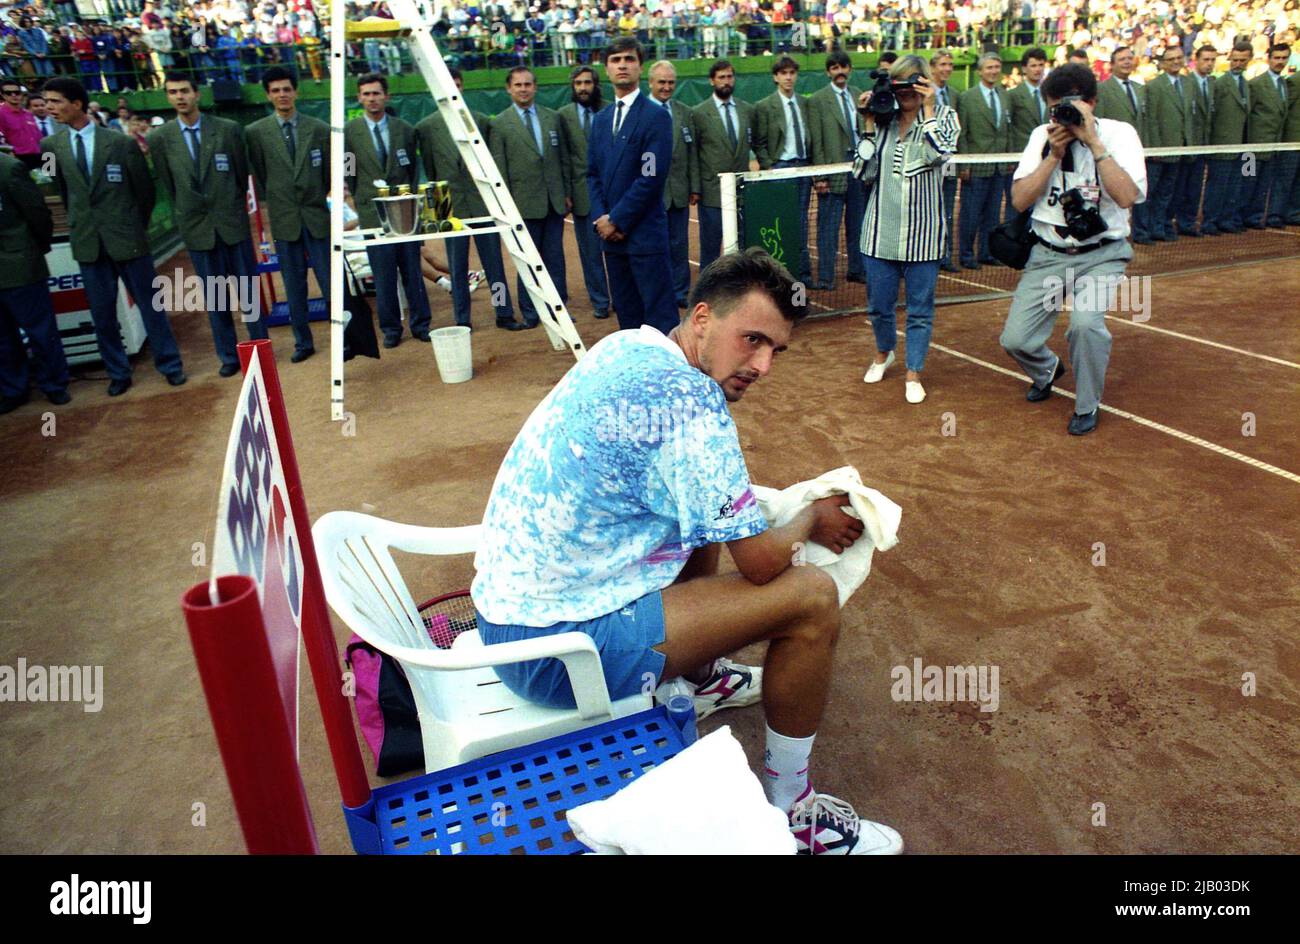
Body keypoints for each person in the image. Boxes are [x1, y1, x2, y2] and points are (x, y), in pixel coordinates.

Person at [471, 247, 903, 855]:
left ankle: (700, 678)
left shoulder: (631, 346)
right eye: (751, 339)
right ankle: (793, 810)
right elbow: (757, 563)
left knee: (697, 519)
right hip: (557, 651)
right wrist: (808, 517)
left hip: (510, 617)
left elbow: (707, 509)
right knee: (812, 598)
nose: (762, 364)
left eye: (775, 349)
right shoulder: (690, 403)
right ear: (702, 318)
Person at [998, 63, 1145, 437]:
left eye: (1073, 109)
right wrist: (1052, 156)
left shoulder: (1119, 134)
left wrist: (1094, 144)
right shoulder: (1041, 136)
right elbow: (1018, 200)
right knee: (1015, 340)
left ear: (1092, 103)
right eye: (1054, 109)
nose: (1063, 117)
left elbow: (1127, 197)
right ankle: (1047, 370)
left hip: (1102, 253)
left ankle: (1086, 404)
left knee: (1085, 324)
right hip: (1049, 252)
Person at [40, 76, 185, 396]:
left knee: (151, 305)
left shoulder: (121, 143)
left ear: (77, 103)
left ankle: (170, 365)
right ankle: (117, 372)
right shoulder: (49, 147)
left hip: (128, 239)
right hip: (88, 243)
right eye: (46, 102)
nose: (50, 108)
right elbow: (60, 191)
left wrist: (131, 225)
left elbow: (144, 191)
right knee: (102, 313)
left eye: (56, 101)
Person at [148, 72, 268, 378]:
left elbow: (241, 177)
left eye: (184, 91)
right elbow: (169, 184)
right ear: (168, 97)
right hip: (198, 230)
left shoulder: (227, 130)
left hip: (231, 224)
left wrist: (228, 207)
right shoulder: (160, 138)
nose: (180, 97)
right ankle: (228, 356)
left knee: (248, 293)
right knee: (215, 298)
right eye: (173, 92)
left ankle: (259, 348)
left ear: (196, 94)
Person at [857, 55, 960, 405]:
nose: (906, 95)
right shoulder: (883, 118)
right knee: (878, 306)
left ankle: (914, 371)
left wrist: (929, 110)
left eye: (914, 86)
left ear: (926, 84)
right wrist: (869, 124)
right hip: (879, 232)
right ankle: (884, 351)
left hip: (924, 236)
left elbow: (940, 153)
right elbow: (862, 173)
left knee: (920, 309)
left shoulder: (945, 117)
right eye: (900, 86)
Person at [415, 66, 523, 331]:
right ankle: (462, 318)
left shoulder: (482, 121)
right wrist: (439, 208)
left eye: (456, 86)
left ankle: (503, 312)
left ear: (462, 87)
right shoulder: (425, 127)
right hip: (447, 203)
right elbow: (430, 169)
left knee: (494, 263)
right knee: (457, 265)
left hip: (482, 201)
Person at [586, 37, 676, 334]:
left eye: (629, 59)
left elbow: (650, 177)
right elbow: (593, 175)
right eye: (615, 60)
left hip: (644, 237)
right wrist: (603, 220)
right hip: (612, 240)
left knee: (659, 320)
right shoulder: (600, 121)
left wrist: (617, 219)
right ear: (607, 69)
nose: (622, 65)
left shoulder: (656, 117)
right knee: (627, 321)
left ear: (640, 67)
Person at [246, 65, 330, 362]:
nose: (282, 95)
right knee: (294, 287)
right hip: (284, 220)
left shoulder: (318, 128)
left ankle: (345, 338)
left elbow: (330, 173)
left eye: (287, 89)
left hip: (317, 218)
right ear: (268, 95)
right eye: (276, 90)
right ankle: (302, 343)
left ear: (296, 92)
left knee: (330, 282)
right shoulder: (255, 134)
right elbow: (259, 174)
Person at [343, 72, 432, 348]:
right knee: (383, 275)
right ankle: (391, 329)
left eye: (376, 93)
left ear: (386, 96)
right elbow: (351, 173)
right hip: (373, 214)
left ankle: (421, 324)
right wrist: (362, 200)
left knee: (412, 272)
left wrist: (407, 201)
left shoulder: (405, 129)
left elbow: (413, 172)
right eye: (366, 94)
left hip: (404, 211)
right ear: (359, 98)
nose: (372, 98)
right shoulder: (350, 133)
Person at [489, 65, 570, 330]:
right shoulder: (499, 124)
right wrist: (507, 205)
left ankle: (559, 310)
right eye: (518, 85)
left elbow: (563, 160)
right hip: (522, 205)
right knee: (528, 262)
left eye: (528, 84)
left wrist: (566, 193)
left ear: (535, 87)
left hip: (553, 202)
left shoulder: (552, 117)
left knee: (555, 260)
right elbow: (499, 169)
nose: (523, 89)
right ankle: (531, 312)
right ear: (509, 89)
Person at [0, 150, 71, 413]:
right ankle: (13, 389)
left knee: (40, 331)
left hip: (20, 267)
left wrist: (35, 248)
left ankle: (55, 384)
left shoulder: (9, 169)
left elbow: (38, 213)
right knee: (3, 338)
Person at [557, 64, 611, 321]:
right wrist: (567, 192)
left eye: (587, 83)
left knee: (617, 250)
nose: (583, 88)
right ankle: (600, 301)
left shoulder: (610, 109)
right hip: (581, 195)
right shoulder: (563, 116)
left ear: (595, 85)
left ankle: (621, 297)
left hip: (613, 192)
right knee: (590, 254)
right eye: (578, 83)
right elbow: (563, 158)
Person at [809, 50, 868, 288]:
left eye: (843, 67)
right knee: (828, 227)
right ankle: (826, 276)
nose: (840, 71)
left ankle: (857, 269)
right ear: (828, 72)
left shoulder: (858, 95)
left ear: (850, 69)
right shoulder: (817, 100)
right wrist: (820, 176)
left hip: (858, 169)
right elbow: (816, 140)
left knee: (858, 224)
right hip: (833, 170)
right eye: (834, 68)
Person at [753, 55, 813, 287]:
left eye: (792, 73)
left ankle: (803, 277)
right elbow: (759, 142)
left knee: (801, 223)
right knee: (780, 225)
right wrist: (769, 166)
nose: (788, 77)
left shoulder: (805, 103)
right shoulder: (764, 106)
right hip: (779, 169)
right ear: (775, 77)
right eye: (783, 73)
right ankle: (779, 279)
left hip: (803, 168)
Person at [690, 59, 755, 272]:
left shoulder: (747, 109)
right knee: (711, 247)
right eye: (721, 78)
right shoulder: (699, 113)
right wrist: (696, 188)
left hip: (741, 191)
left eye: (729, 77)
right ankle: (707, 289)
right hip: (712, 192)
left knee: (742, 246)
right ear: (712, 81)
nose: (726, 82)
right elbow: (694, 153)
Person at [647, 59, 696, 310]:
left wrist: (694, 186)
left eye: (670, 83)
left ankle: (679, 291)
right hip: (649, 195)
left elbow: (692, 153)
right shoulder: (640, 111)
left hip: (678, 192)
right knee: (654, 246)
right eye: (661, 82)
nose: (666, 87)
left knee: (679, 244)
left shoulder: (684, 112)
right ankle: (658, 292)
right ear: (651, 83)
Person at [956, 52, 1012, 269]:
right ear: (980, 71)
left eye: (997, 67)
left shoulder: (1005, 95)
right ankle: (966, 255)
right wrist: (965, 164)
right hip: (976, 166)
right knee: (971, 213)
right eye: (989, 67)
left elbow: (1006, 130)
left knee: (992, 213)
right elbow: (963, 133)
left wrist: (1007, 157)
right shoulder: (967, 97)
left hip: (999, 165)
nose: (994, 71)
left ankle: (986, 253)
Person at [1094, 46, 1151, 242]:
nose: (1127, 62)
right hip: (1111, 154)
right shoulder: (1101, 89)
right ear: (1112, 65)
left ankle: (1141, 231)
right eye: (1122, 59)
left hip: (1135, 151)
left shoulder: (1140, 89)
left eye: (1129, 58)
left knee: (1138, 191)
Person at [1143, 46, 1193, 242]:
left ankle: (1162, 226)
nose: (1175, 61)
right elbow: (1152, 120)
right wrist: (1156, 149)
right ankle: (1148, 229)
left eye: (1179, 58)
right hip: (1161, 149)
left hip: (1181, 148)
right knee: (1153, 191)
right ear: (1163, 63)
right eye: (1170, 58)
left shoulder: (1189, 83)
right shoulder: (1154, 86)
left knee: (1169, 192)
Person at [1205, 41, 1253, 235]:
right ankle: (1210, 221)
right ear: (1229, 59)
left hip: (1243, 146)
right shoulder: (1220, 83)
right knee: (1217, 186)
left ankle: (1227, 219)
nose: (1238, 64)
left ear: (1249, 60)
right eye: (1235, 60)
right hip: (1222, 144)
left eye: (1242, 60)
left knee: (1236, 184)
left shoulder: (1247, 85)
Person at [1242, 43, 1291, 229]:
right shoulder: (1255, 84)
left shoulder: (1284, 84)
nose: (1280, 61)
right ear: (1269, 59)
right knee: (1248, 182)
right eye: (1277, 57)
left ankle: (1254, 218)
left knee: (1263, 185)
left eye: (1284, 58)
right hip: (1253, 148)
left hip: (1273, 147)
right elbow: (1247, 115)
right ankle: (1240, 217)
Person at [1176, 44, 1217, 237]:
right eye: (1205, 60)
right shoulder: (1185, 82)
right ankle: (1177, 223)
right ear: (1196, 60)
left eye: (1212, 60)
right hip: (1186, 145)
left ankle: (1189, 223)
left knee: (1195, 188)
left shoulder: (1213, 83)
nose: (1209, 64)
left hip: (1204, 144)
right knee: (1181, 187)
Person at [929, 48, 959, 273]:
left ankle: (944, 255)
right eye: (942, 64)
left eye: (950, 65)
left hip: (950, 163)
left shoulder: (955, 95)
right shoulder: (923, 93)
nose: (947, 69)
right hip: (928, 163)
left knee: (946, 208)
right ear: (932, 68)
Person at [1008, 46, 1048, 155]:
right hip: (1024, 151)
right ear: (1024, 69)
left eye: (1041, 65)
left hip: (1048, 151)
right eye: (1033, 66)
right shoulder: (1013, 95)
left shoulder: (1051, 93)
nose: (1038, 69)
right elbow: (1009, 129)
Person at [0, 79, 42, 171]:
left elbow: (38, 137)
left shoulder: (28, 114)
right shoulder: (1, 114)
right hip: (19, 159)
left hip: (39, 155)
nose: (13, 95)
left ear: (21, 93)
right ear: (2, 95)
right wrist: (12, 159)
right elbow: (1, 141)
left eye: (16, 92)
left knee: (52, 181)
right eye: (8, 93)